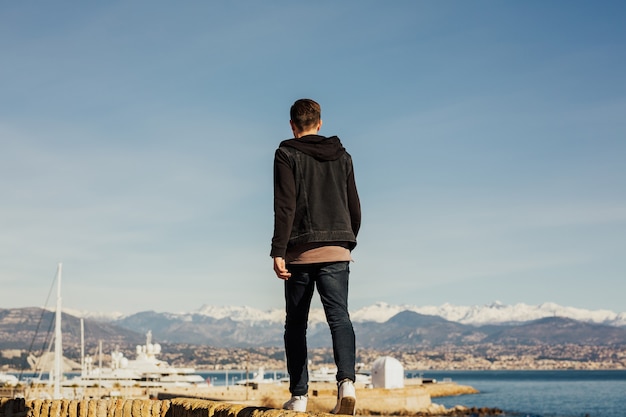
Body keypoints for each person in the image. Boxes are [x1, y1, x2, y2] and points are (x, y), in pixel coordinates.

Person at [271, 98, 361, 415]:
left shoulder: (286, 153)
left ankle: (298, 397)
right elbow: (354, 207)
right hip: (338, 246)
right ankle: (347, 384)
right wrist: (346, 241)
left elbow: (285, 206)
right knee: (340, 318)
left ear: (293, 125)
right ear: (319, 123)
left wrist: (278, 251)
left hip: (299, 251)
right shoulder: (343, 156)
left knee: (296, 325)